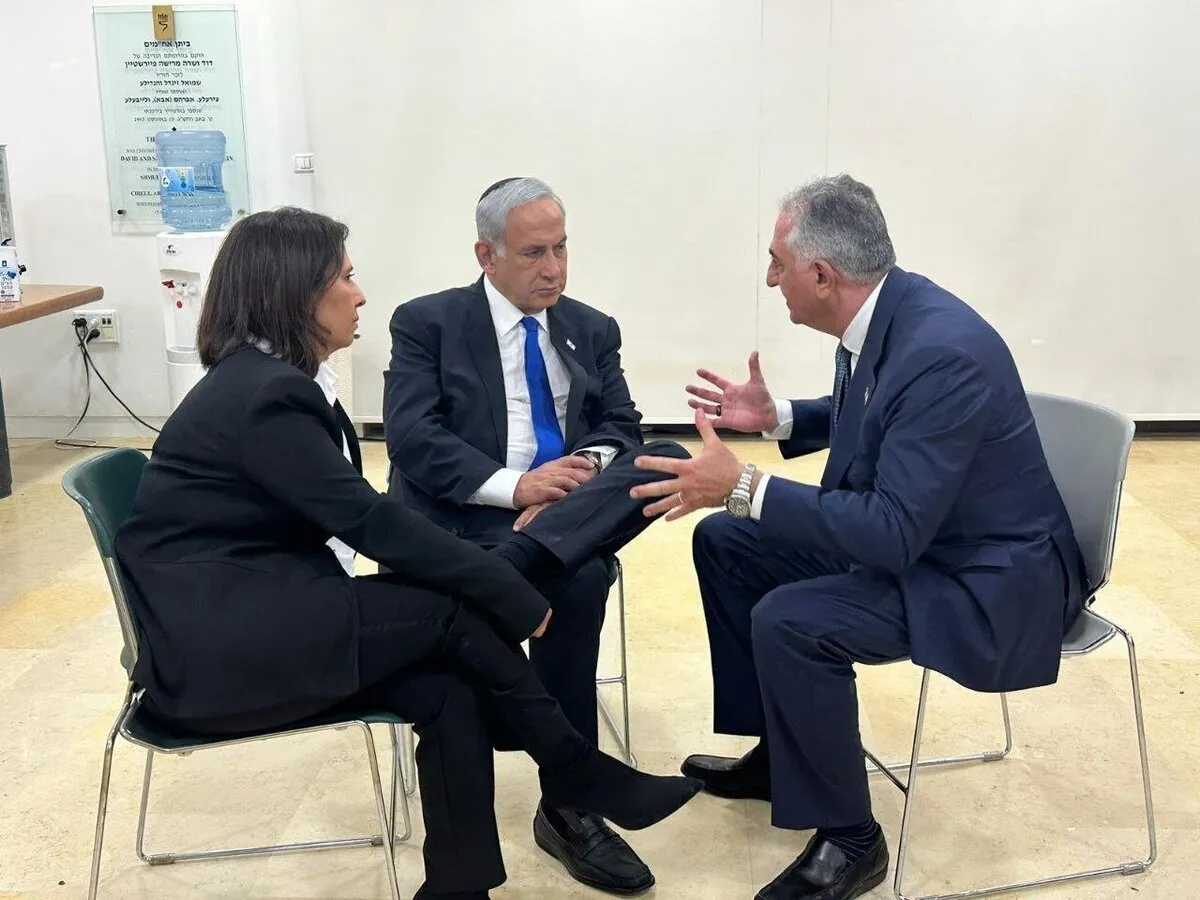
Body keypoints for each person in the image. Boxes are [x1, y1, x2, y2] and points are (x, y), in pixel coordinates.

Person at [113, 207, 701, 900]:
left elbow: (621, 429)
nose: (359, 295)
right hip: (220, 653)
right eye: (345, 278)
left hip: (258, 617)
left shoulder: (270, 382)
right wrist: (501, 585)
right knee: (451, 615)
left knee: (449, 690)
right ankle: (577, 770)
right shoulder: (264, 396)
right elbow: (369, 518)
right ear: (295, 291)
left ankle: (461, 885)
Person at [630, 174, 1087, 900]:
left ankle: (851, 840)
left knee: (792, 620)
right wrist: (780, 417)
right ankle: (784, 755)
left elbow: (891, 532)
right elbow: (884, 411)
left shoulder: (940, 351)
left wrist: (746, 485)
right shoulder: (893, 311)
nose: (771, 277)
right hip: (936, 541)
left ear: (822, 275)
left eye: (778, 261)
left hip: (988, 580)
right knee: (727, 544)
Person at [383, 177, 690, 894]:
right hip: (467, 514)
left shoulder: (592, 327)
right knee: (577, 577)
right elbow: (412, 437)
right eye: (532, 253)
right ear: (486, 255)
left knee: (666, 457)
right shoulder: (427, 323)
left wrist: (581, 473)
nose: (553, 269)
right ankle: (571, 800)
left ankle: (564, 802)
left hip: (562, 513)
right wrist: (516, 487)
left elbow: (622, 427)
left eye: (561, 248)